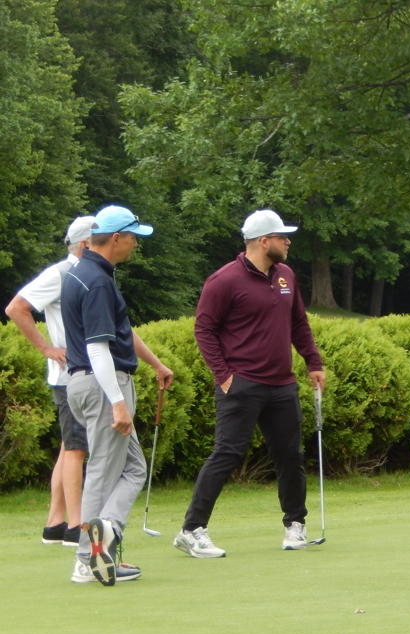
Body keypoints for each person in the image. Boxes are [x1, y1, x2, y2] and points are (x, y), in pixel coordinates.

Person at [173, 209, 326, 559]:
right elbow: (204, 329)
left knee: (290, 455)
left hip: (282, 384)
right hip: (242, 384)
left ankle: (295, 525)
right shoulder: (224, 280)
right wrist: (223, 376)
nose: (288, 242)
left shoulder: (286, 275)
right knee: (227, 453)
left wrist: (313, 362)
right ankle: (191, 529)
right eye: (282, 237)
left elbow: (299, 323)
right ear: (264, 241)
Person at [62, 205, 174, 586]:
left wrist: (156, 364)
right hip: (102, 384)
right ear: (115, 238)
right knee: (102, 470)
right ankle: (86, 558)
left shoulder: (84, 273)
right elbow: (98, 349)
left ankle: (104, 536)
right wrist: (118, 402)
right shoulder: (97, 281)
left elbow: (120, 330)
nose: (135, 245)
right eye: (133, 237)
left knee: (134, 467)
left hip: (85, 383)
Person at [5, 217, 95, 547]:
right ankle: (75, 526)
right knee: (76, 449)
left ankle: (55, 523)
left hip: (75, 376)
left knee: (69, 447)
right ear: (86, 244)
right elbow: (16, 308)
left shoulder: (86, 272)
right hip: (70, 377)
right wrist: (47, 348)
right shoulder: (61, 273)